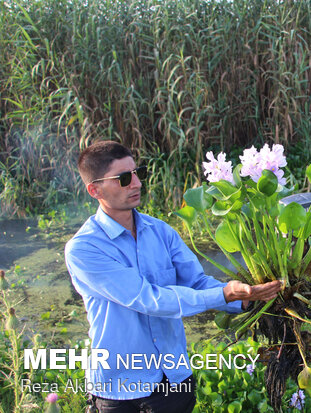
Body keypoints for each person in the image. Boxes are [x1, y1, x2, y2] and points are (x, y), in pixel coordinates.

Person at [64, 141, 281, 413]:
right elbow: (147, 299)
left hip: (173, 380)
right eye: (123, 178)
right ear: (94, 189)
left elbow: (197, 283)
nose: (137, 183)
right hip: (119, 388)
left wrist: (245, 297)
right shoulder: (84, 248)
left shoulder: (162, 232)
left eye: (137, 172)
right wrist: (224, 293)